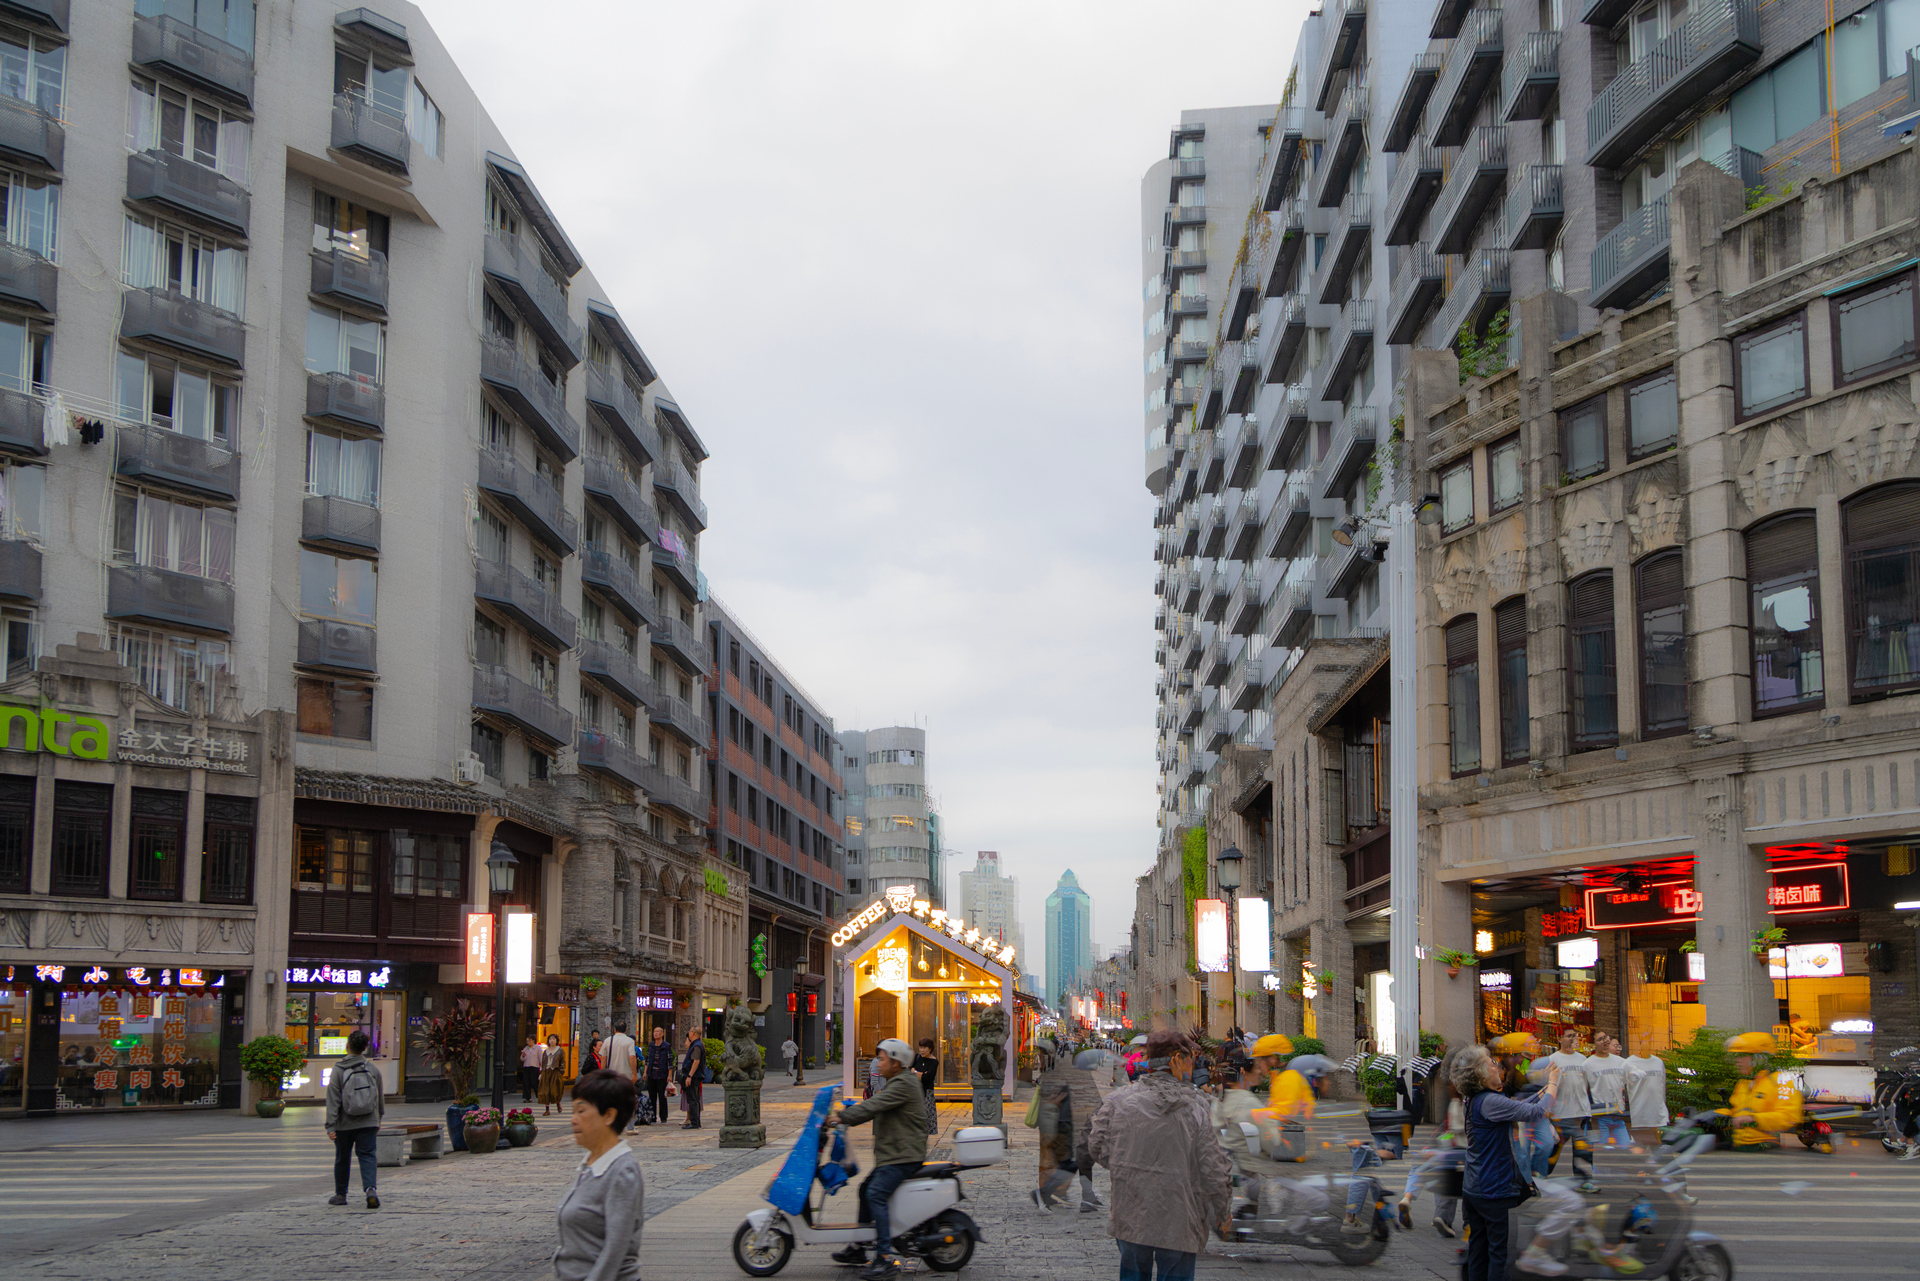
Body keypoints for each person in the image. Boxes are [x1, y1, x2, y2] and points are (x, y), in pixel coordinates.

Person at [1088, 1028, 1233, 1281]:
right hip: (1180, 1217)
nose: (1193, 1064)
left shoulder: (1118, 1100)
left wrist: (1126, 1163)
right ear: (1177, 1060)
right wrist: (1222, 1211)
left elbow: (1097, 1145)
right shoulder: (1197, 1106)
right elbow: (1213, 1167)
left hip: (1131, 1212)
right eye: (1191, 1058)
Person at [1458, 1043, 1560, 1281]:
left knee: (1479, 1251)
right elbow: (1535, 1113)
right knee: (1499, 1255)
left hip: (1475, 1187)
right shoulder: (1490, 1101)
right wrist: (1554, 1082)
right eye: (1492, 1064)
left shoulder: (1476, 1099)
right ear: (1481, 1074)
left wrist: (1545, 1089)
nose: (1498, 1066)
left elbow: (1520, 1107)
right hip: (1492, 1190)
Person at [832, 1038, 927, 1280]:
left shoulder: (903, 1084)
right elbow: (874, 1105)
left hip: (903, 1155)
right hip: (894, 1153)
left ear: (896, 1063)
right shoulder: (898, 1081)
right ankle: (859, 1247)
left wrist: (841, 1117)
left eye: (882, 1059)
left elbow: (873, 1106)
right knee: (865, 1189)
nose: (878, 1063)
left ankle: (884, 1258)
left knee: (875, 1193)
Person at [1217, 1034, 1329, 1233]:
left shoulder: (1229, 1099)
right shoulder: (1249, 1101)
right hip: (1266, 1165)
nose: (1261, 1070)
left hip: (1263, 1161)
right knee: (1316, 1197)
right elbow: (1272, 1139)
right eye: (1258, 1065)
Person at [555, 1069, 643, 1281]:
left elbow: (615, 1250)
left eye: (581, 1110)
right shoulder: (590, 1163)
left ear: (608, 1115)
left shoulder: (622, 1171)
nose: (573, 1119)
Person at [324, 1030, 384, 1209]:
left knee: (342, 1158)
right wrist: (378, 1118)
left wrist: (330, 1126)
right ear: (365, 1048)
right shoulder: (372, 1069)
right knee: (368, 1155)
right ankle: (370, 1189)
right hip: (369, 1121)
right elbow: (380, 1096)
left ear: (347, 1046)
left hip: (344, 1123)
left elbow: (333, 1099)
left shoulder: (338, 1070)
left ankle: (340, 1195)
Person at [1723, 1031, 1804, 1150]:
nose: (1737, 1060)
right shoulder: (1743, 1083)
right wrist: (1718, 1116)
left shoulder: (1781, 1081)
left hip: (1766, 1148)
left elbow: (1789, 1117)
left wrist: (1753, 1119)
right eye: (1736, 1056)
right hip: (1739, 1146)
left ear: (1759, 1058)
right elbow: (1735, 1112)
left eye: (1743, 1055)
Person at [1584, 1035, 1632, 1148]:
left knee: (1625, 1147)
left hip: (1617, 1116)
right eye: (1615, 1046)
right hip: (1599, 1116)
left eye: (1619, 1046)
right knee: (1599, 1149)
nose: (1618, 1049)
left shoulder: (1621, 1063)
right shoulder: (1590, 1064)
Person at [640, 1026, 673, 1126]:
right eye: (654, 1031)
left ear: (662, 1034)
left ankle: (663, 1117)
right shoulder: (651, 1045)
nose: (656, 1033)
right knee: (652, 1097)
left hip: (662, 1075)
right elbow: (647, 1060)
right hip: (652, 1074)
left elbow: (670, 1061)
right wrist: (645, 1072)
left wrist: (670, 1075)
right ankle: (652, 1116)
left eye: (658, 1031)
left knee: (662, 1097)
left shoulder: (666, 1046)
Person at [677, 1027, 706, 1129]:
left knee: (693, 1100)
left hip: (694, 1077)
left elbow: (696, 1061)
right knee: (695, 1100)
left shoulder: (697, 1045)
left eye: (689, 1031)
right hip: (695, 1076)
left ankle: (694, 1122)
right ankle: (696, 1122)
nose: (688, 1033)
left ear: (693, 1033)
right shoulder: (696, 1044)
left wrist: (690, 1076)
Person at [912, 1038, 938, 1137]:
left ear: (930, 1049)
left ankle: (923, 1136)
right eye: (920, 1047)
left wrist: (915, 1072)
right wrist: (921, 1074)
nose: (922, 1050)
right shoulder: (917, 1057)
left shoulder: (934, 1062)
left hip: (927, 1092)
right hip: (915, 1090)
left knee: (926, 1116)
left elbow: (927, 1078)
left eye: (924, 1048)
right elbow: (910, 1070)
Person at [539, 1034, 567, 1117]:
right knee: (545, 1091)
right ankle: (547, 1109)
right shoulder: (545, 1051)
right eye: (550, 1039)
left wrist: (561, 1071)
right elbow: (543, 1062)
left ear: (556, 1041)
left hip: (555, 1071)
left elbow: (563, 1062)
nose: (552, 1041)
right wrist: (542, 1072)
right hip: (546, 1072)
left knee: (555, 1090)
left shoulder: (560, 1050)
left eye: (553, 1039)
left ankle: (558, 1103)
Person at [604, 1020, 636, 1088]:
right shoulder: (630, 1041)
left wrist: (603, 1074)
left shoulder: (607, 1040)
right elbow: (632, 1057)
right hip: (626, 1075)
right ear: (626, 1029)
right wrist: (634, 1073)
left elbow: (603, 1058)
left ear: (615, 1030)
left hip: (611, 1075)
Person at [520, 1035, 544, 1103]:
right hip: (526, 1066)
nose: (528, 1042)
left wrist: (542, 1067)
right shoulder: (526, 1048)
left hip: (534, 1067)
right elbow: (522, 1059)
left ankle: (539, 1096)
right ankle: (528, 1097)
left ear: (533, 1040)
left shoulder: (538, 1048)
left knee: (534, 1082)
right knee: (526, 1082)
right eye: (527, 1041)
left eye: (529, 1041)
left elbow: (541, 1058)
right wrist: (523, 1055)